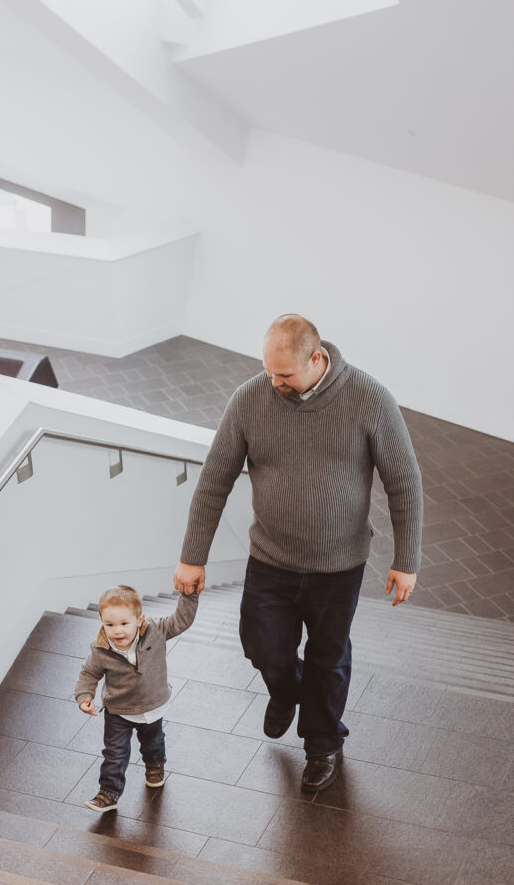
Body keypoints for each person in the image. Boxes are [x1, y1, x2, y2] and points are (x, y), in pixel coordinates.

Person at [174, 314, 422, 792]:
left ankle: (323, 744)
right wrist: (193, 555)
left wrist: (406, 559)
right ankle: (287, 691)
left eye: (284, 375)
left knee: (328, 657)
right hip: (270, 560)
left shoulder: (369, 398)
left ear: (317, 358)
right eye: (269, 372)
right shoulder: (250, 399)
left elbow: (404, 482)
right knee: (262, 646)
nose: (274, 382)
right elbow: (213, 481)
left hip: (338, 566)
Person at [74, 583, 198, 811]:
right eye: (109, 624)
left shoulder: (157, 631)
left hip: (152, 707)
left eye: (124, 623)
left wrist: (189, 596)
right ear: (101, 621)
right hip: (118, 711)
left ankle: (155, 764)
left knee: (153, 742)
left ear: (139, 620)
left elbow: (182, 620)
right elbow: (89, 672)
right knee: (114, 754)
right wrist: (84, 695)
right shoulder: (100, 649)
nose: (117, 631)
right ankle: (108, 793)